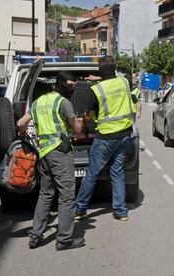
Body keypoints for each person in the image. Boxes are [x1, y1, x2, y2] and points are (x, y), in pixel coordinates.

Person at [17, 71, 85, 251]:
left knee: (46, 195)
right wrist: (82, 121)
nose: (72, 88)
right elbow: (77, 129)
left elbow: (20, 124)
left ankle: (35, 235)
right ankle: (64, 240)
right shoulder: (63, 103)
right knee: (66, 197)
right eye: (71, 85)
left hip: (44, 154)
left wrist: (23, 135)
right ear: (61, 83)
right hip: (60, 153)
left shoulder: (38, 102)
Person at [75, 56, 136, 222]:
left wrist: (84, 122)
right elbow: (114, 79)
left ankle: (80, 209)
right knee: (117, 173)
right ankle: (121, 211)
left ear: (100, 71)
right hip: (124, 136)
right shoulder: (124, 82)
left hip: (105, 138)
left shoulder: (97, 90)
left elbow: (90, 115)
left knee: (92, 174)